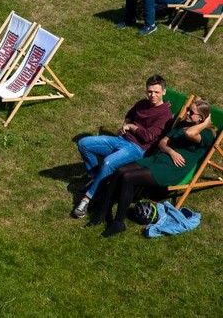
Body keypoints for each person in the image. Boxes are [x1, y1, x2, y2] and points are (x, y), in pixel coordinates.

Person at [91, 98, 215, 237]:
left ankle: (118, 222)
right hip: (159, 159)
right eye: (187, 110)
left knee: (128, 177)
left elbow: (190, 134)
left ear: (201, 118)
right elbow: (162, 143)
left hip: (172, 169)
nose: (187, 113)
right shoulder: (182, 125)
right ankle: (102, 212)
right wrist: (171, 151)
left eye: (191, 112)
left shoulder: (206, 134)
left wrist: (205, 124)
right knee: (120, 171)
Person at [71, 75, 172, 219]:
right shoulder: (142, 103)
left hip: (137, 149)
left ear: (164, 91)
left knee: (108, 162)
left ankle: (87, 199)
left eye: (156, 92)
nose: (152, 95)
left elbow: (148, 136)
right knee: (84, 144)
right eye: (149, 91)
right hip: (122, 139)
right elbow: (129, 115)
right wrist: (126, 125)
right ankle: (95, 178)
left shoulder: (165, 114)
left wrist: (131, 126)